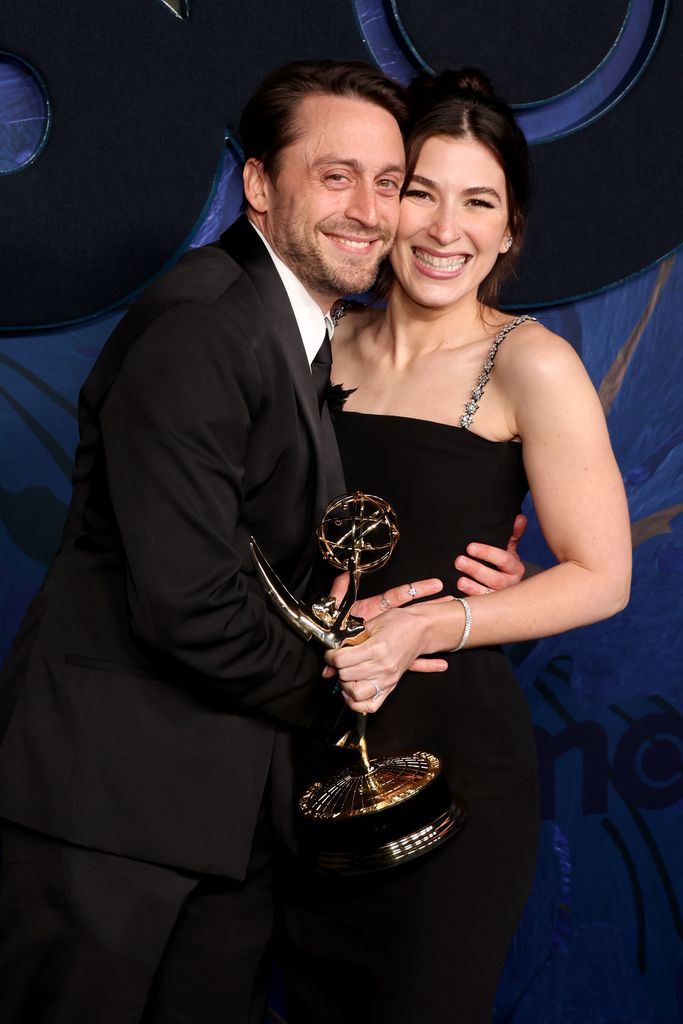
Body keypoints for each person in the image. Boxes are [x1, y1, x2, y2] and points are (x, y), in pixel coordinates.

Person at [0, 61, 524, 1024]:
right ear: (257, 188)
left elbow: (285, 554)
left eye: (385, 179)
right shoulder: (204, 326)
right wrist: (360, 673)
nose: (370, 209)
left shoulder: (303, 333)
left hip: (225, 816)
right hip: (111, 813)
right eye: (335, 177)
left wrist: (470, 580)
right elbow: (189, 603)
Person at [280, 70, 632, 1024]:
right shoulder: (314, 344)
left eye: (477, 201)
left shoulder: (529, 363)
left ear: (509, 226)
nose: (444, 229)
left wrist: (437, 619)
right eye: (420, 192)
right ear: (382, 205)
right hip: (294, 758)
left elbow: (603, 579)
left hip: (452, 773)